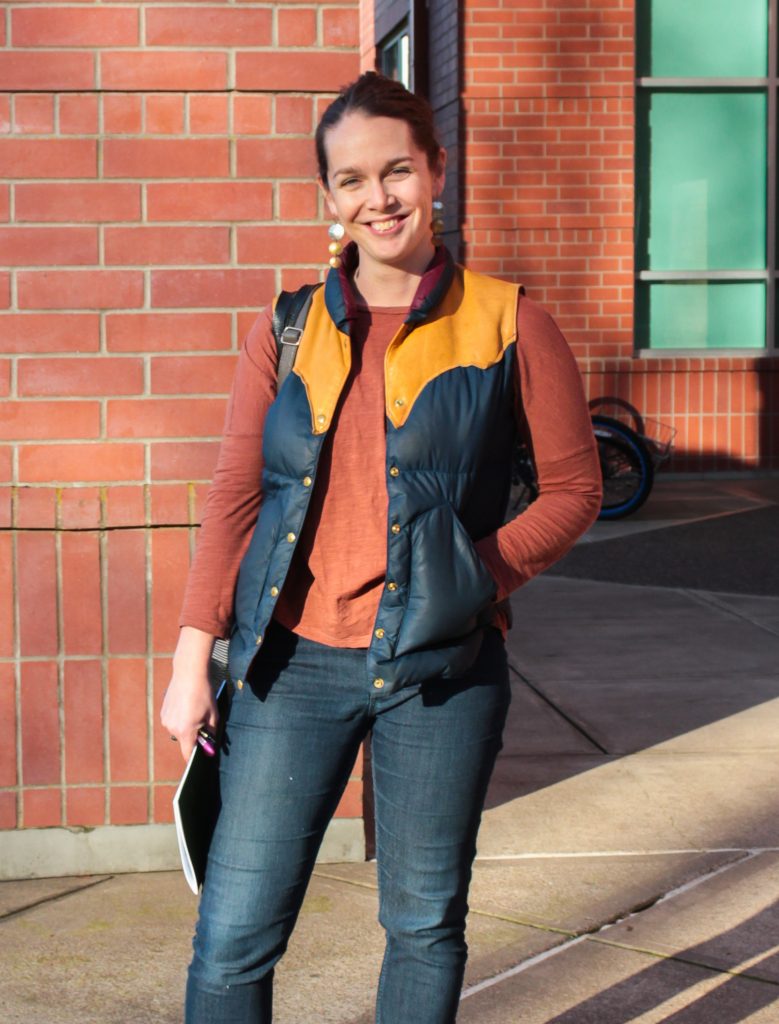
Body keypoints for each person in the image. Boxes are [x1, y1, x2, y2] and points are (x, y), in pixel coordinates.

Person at [161, 71, 602, 1024]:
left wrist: (472, 578)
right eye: (352, 179)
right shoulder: (287, 327)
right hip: (290, 667)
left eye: (397, 170)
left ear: (436, 169)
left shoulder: (509, 320)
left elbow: (575, 490)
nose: (379, 197)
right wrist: (192, 659)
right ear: (328, 196)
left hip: (442, 672)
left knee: (423, 924)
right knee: (232, 936)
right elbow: (236, 495)